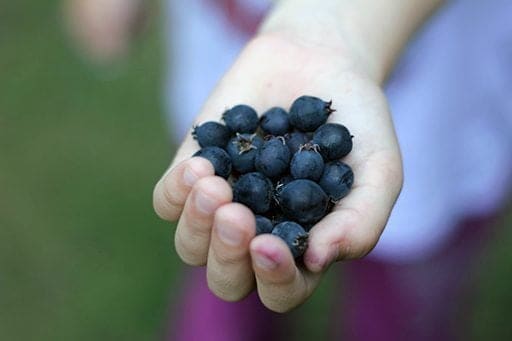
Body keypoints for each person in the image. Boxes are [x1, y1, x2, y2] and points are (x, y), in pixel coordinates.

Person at [66, 0, 512, 339]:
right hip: (225, 67)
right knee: (230, 252)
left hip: (441, 111)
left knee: (400, 313)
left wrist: (339, 34)